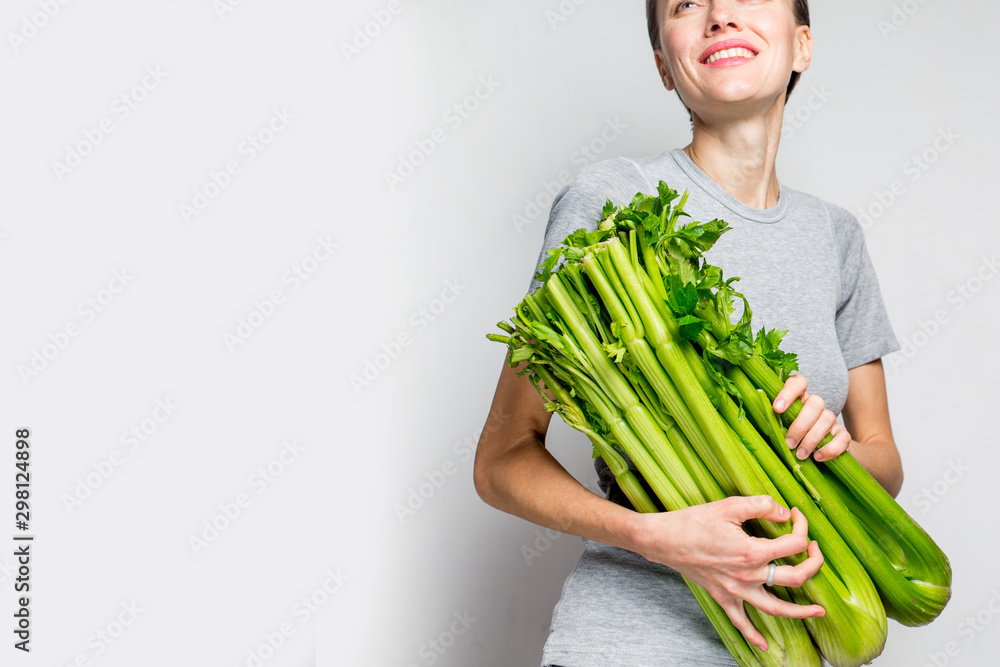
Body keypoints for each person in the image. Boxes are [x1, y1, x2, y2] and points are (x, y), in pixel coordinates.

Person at [474, 0, 905, 665]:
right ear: (663, 67)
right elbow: (500, 460)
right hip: (632, 644)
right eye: (685, 5)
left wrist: (835, 450)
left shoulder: (836, 236)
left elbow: (884, 459)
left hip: (799, 646)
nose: (719, 16)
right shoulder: (611, 201)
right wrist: (652, 534)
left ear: (803, 44)